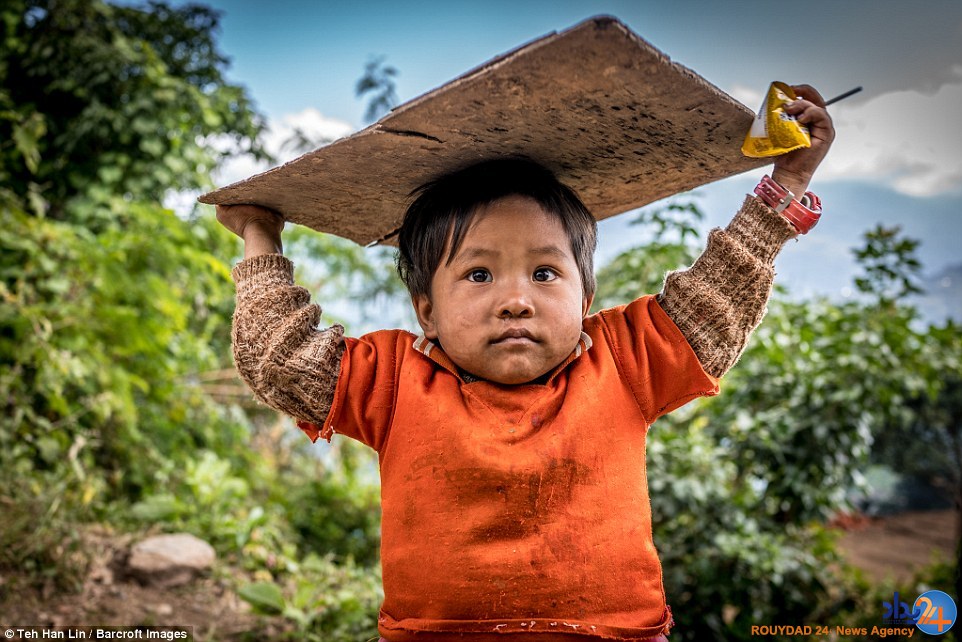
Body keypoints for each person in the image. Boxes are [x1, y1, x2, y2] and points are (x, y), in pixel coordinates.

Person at [216, 85, 834, 642]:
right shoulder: (393, 379)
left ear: (585, 299)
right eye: (478, 273)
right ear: (425, 310)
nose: (516, 300)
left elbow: (720, 293)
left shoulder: (626, 359)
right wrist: (259, 234)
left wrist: (791, 179)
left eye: (545, 272)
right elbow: (280, 356)